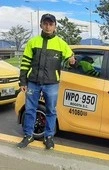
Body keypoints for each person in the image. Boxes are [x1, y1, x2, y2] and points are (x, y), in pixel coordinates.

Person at [17, 13, 75, 149]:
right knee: (30, 110)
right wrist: (23, 82)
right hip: (33, 82)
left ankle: (48, 137)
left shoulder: (61, 43)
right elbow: (25, 63)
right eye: (45, 24)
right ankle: (28, 135)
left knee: (51, 111)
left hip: (52, 83)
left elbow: (70, 60)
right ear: (41, 25)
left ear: (55, 26)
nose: (48, 26)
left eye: (51, 24)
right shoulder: (32, 42)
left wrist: (72, 61)